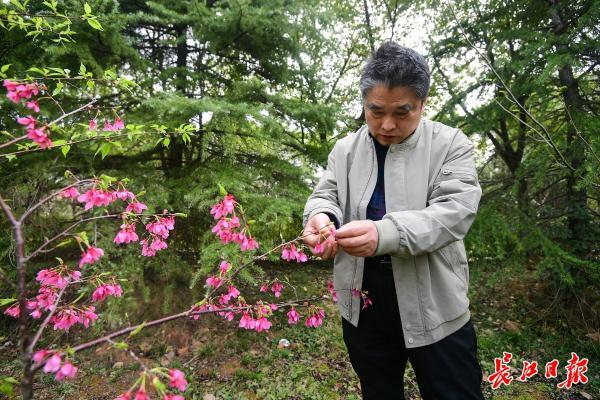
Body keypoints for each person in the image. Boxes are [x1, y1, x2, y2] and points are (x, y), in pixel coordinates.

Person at [302, 42, 485, 400]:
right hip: (363, 296)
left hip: (434, 297)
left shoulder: (450, 144)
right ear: (364, 103)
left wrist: (384, 233)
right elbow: (326, 194)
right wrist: (320, 216)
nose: (387, 125)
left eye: (403, 112)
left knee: (455, 391)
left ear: (423, 103)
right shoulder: (345, 150)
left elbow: (455, 212)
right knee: (378, 390)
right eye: (376, 111)